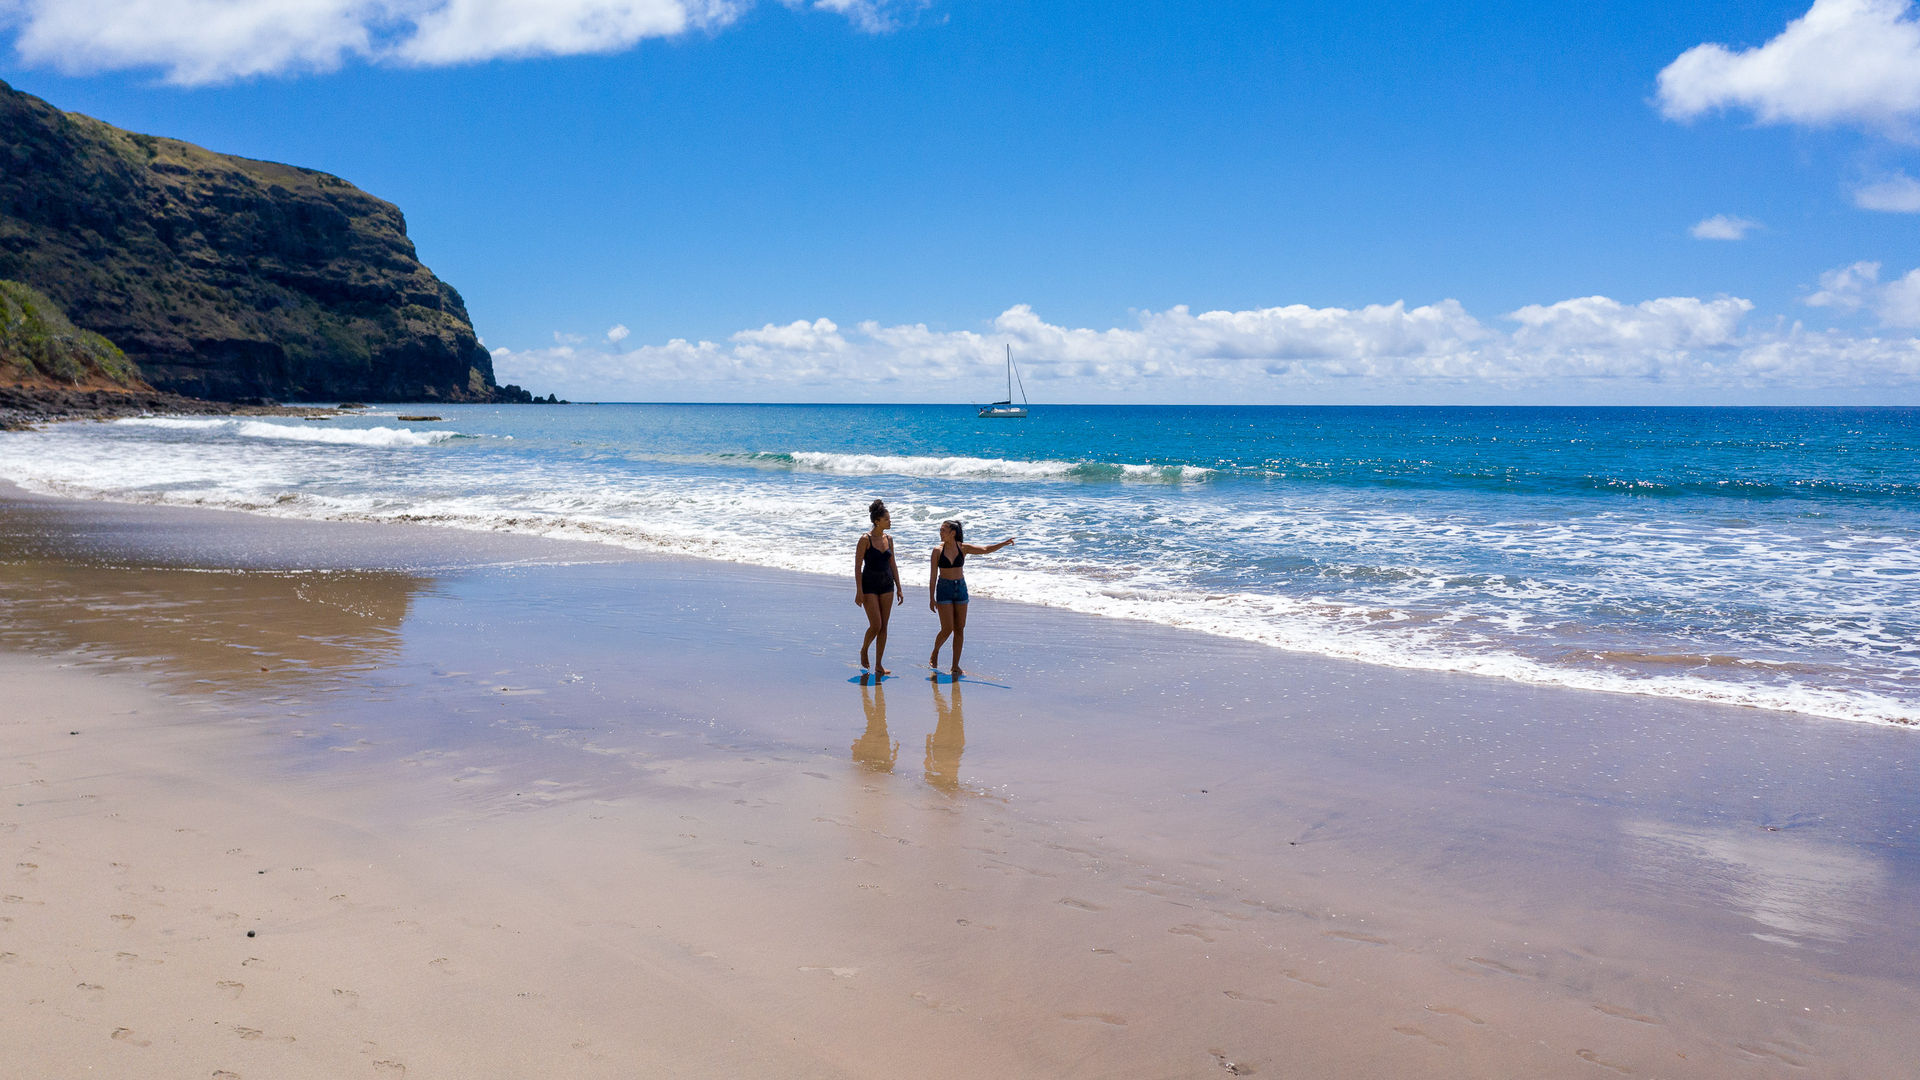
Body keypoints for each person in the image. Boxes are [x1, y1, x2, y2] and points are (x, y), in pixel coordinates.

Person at [928, 519, 1014, 676]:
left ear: (953, 533)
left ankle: (955, 666)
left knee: (959, 628)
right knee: (947, 629)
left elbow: (985, 549)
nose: (940, 533)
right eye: (940, 530)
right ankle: (935, 652)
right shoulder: (937, 551)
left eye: (943, 530)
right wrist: (931, 597)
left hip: (960, 588)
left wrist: (1003, 543)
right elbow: (933, 575)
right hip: (944, 589)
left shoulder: (963, 548)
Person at [855, 499, 905, 675]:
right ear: (877, 521)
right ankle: (864, 649)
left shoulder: (889, 539)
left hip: (887, 584)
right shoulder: (865, 539)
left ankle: (879, 665)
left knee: (884, 626)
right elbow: (857, 566)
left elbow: (893, 564)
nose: (890, 522)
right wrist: (858, 591)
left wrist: (899, 587)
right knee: (875, 624)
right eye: (887, 519)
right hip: (869, 584)